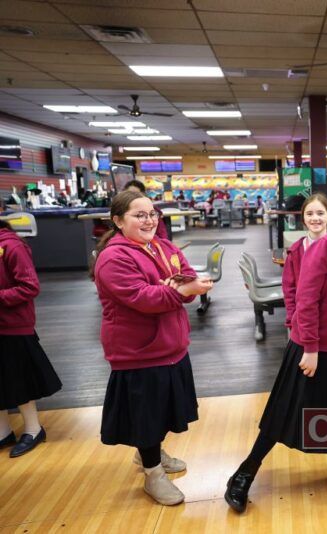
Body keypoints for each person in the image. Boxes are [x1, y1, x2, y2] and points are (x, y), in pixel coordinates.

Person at [224, 186, 327, 514]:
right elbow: (306, 298)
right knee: (283, 413)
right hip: (309, 347)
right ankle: (244, 473)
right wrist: (311, 347)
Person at [91, 191, 213, 506]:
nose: (149, 220)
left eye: (152, 214)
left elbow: (185, 278)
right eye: (139, 215)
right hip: (139, 351)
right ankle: (152, 473)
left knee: (160, 412)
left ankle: (151, 453)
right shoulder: (114, 258)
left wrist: (182, 288)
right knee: (147, 417)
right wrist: (178, 289)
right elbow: (144, 298)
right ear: (118, 221)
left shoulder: (163, 246)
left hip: (170, 344)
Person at [0, 219, 62, 457]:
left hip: (13, 326)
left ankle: (33, 429)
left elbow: (29, 286)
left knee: (19, 380)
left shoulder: (12, 246)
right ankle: (3, 432)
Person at [283, 194, 327, 329]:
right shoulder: (295, 252)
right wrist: (292, 318)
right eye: (309, 214)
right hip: (305, 320)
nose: (315, 218)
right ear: (303, 219)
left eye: (320, 213)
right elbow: (289, 290)